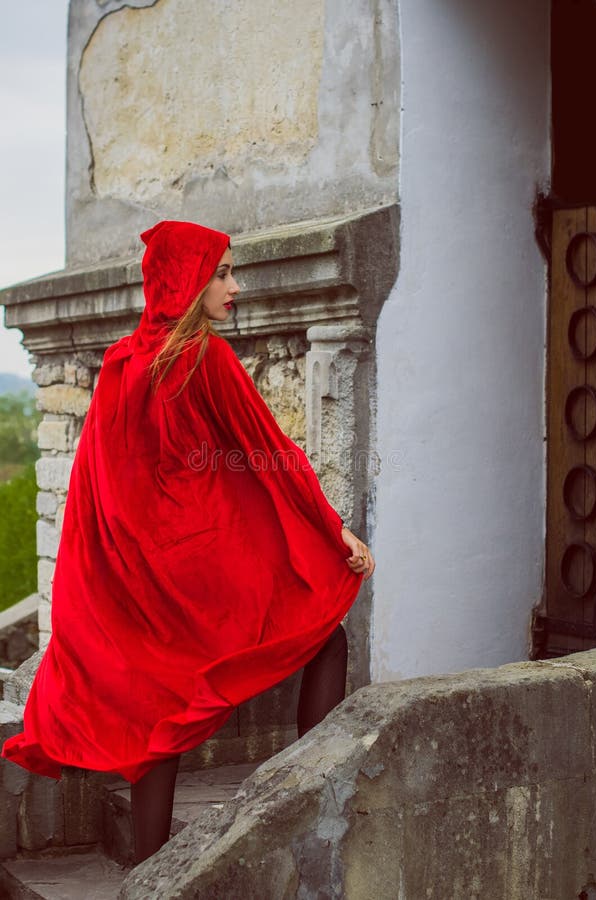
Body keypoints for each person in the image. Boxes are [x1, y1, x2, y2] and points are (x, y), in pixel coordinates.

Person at [1, 221, 375, 864]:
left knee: (158, 706)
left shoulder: (121, 363)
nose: (235, 285)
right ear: (186, 280)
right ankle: (309, 801)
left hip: (149, 573)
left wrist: (109, 578)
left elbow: (97, 483)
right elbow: (270, 454)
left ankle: (151, 869)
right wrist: (332, 526)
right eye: (221, 272)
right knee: (325, 630)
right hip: (205, 566)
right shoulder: (206, 357)